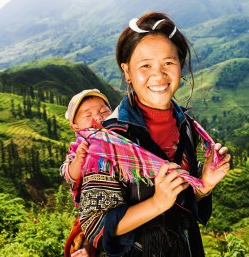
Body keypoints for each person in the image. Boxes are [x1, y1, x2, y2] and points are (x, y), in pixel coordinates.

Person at [74, 12, 231, 257]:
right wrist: (156, 203)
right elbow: (94, 226)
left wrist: (205, 184)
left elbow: (184, 208)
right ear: (127, 71)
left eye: (168, 63)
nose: (158, 75)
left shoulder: (186, 126)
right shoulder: (109, 140)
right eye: (145, 65)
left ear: (180, 63)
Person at [60, 88, 112, 257]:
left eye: (103, 111)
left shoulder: (118, 136)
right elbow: (69, 175)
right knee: (89, 235)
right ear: (75, 126)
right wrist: (78, 161)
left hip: (121, 199)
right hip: (92, 206)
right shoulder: (79, 147)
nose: (98, 117)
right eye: (88, 115)